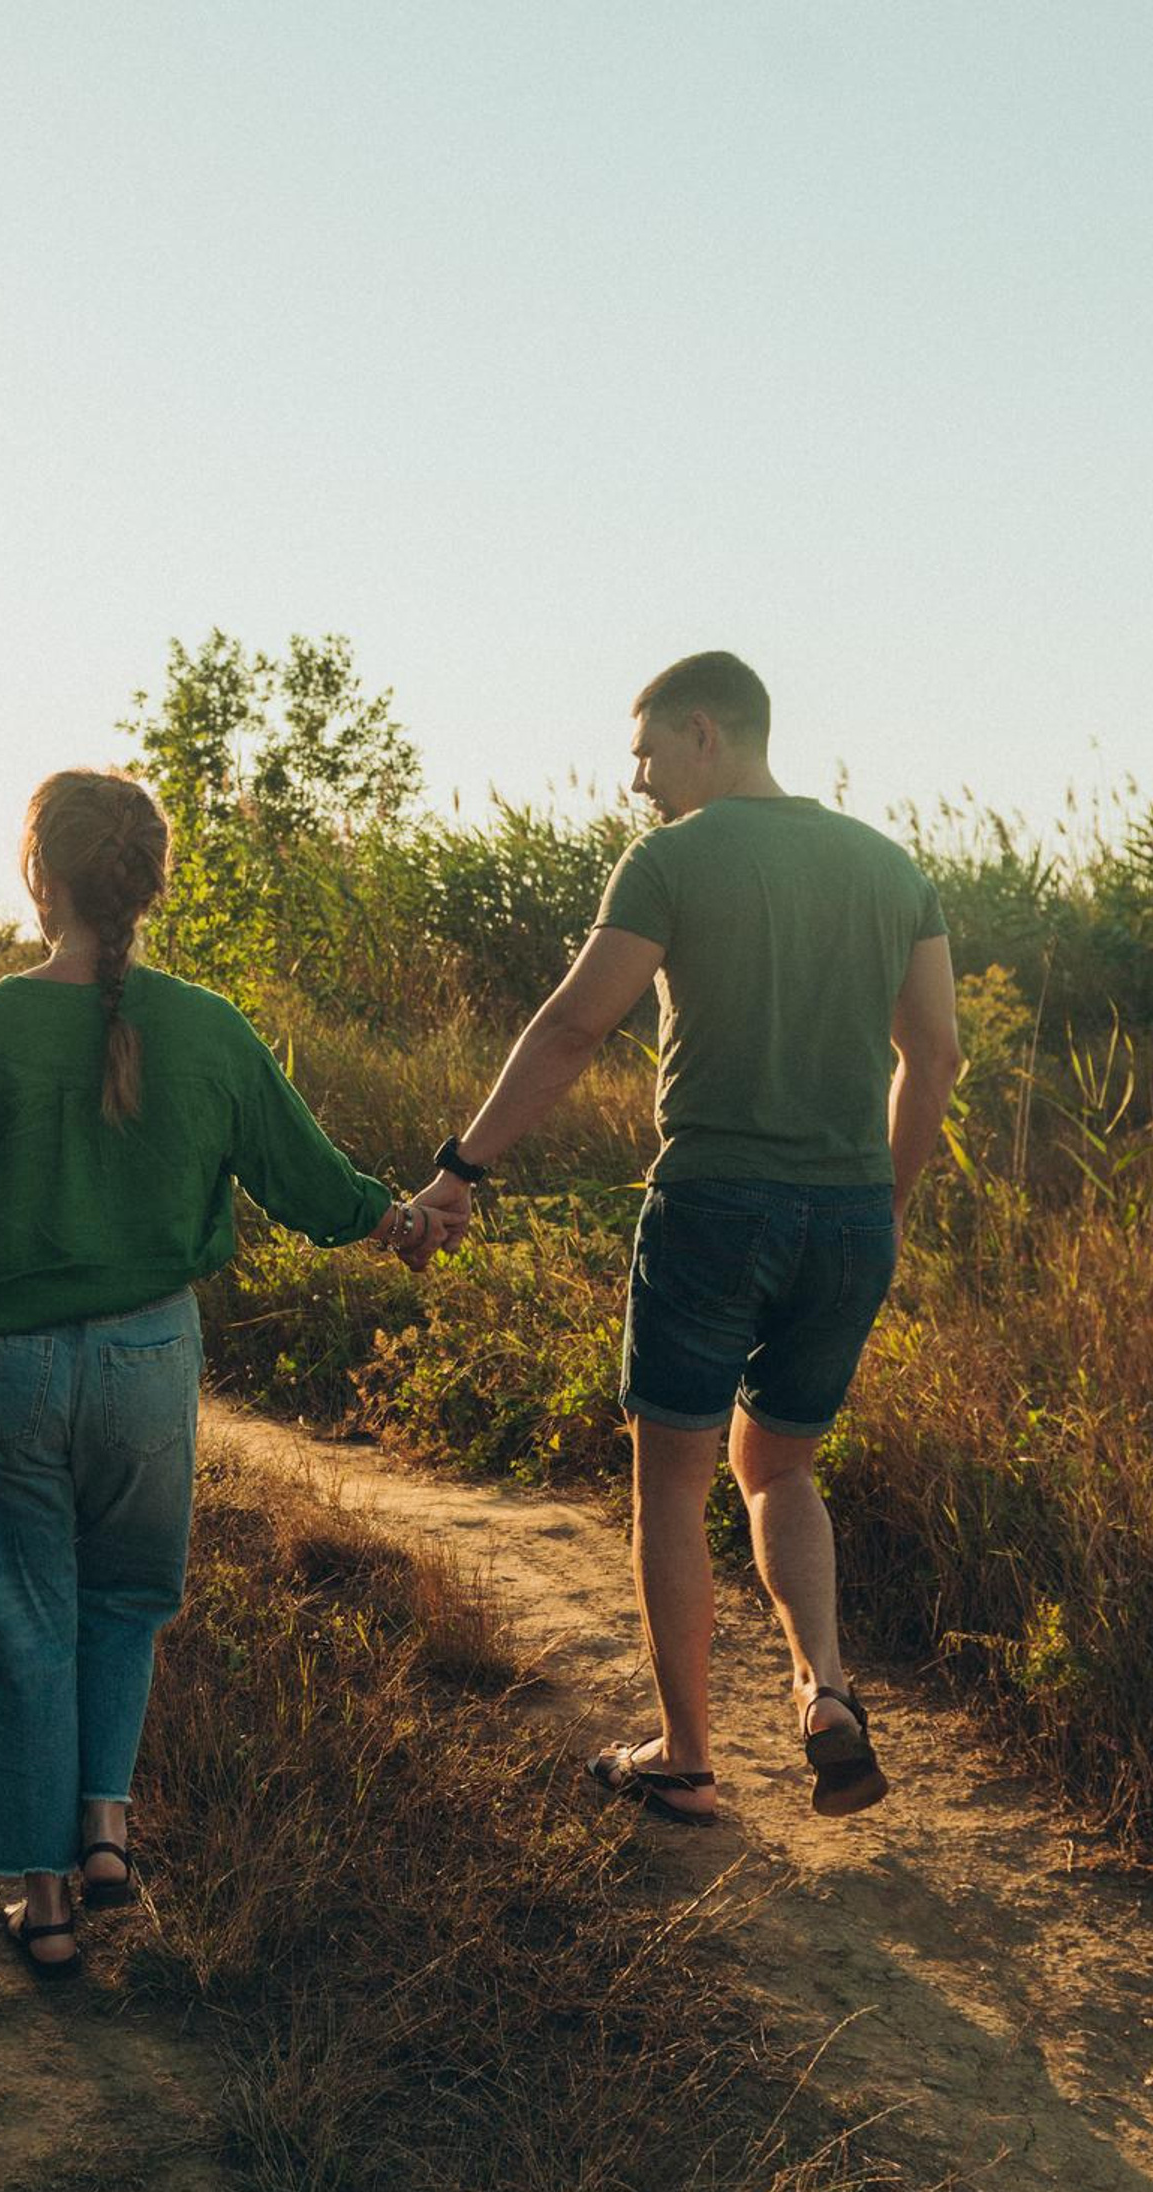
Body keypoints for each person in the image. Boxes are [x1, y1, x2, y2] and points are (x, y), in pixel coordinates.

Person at [0, 768, 443, 1979]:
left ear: (39, 877)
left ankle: (46, 1900)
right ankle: (104, 1818)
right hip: (150, 1361)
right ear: (151, 884)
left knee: (19, 1618)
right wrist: (401, 1219)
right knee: (125, 1600)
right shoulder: (209, 1027)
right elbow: (310, 1182)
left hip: (4, 1368)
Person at [402, 652, 963, 1826]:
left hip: (715, 1202)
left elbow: (570, 1024)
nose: (639, 783)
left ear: (706, 733)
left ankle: (687, 1756)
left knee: (674, 1477)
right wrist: (886, 1199)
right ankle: (823, 1685)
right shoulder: (888, 864)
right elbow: (937, 1058)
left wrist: (461, 1169)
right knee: (782, 1466)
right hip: (850, 1213)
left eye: (648, 754)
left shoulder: (671, 859)